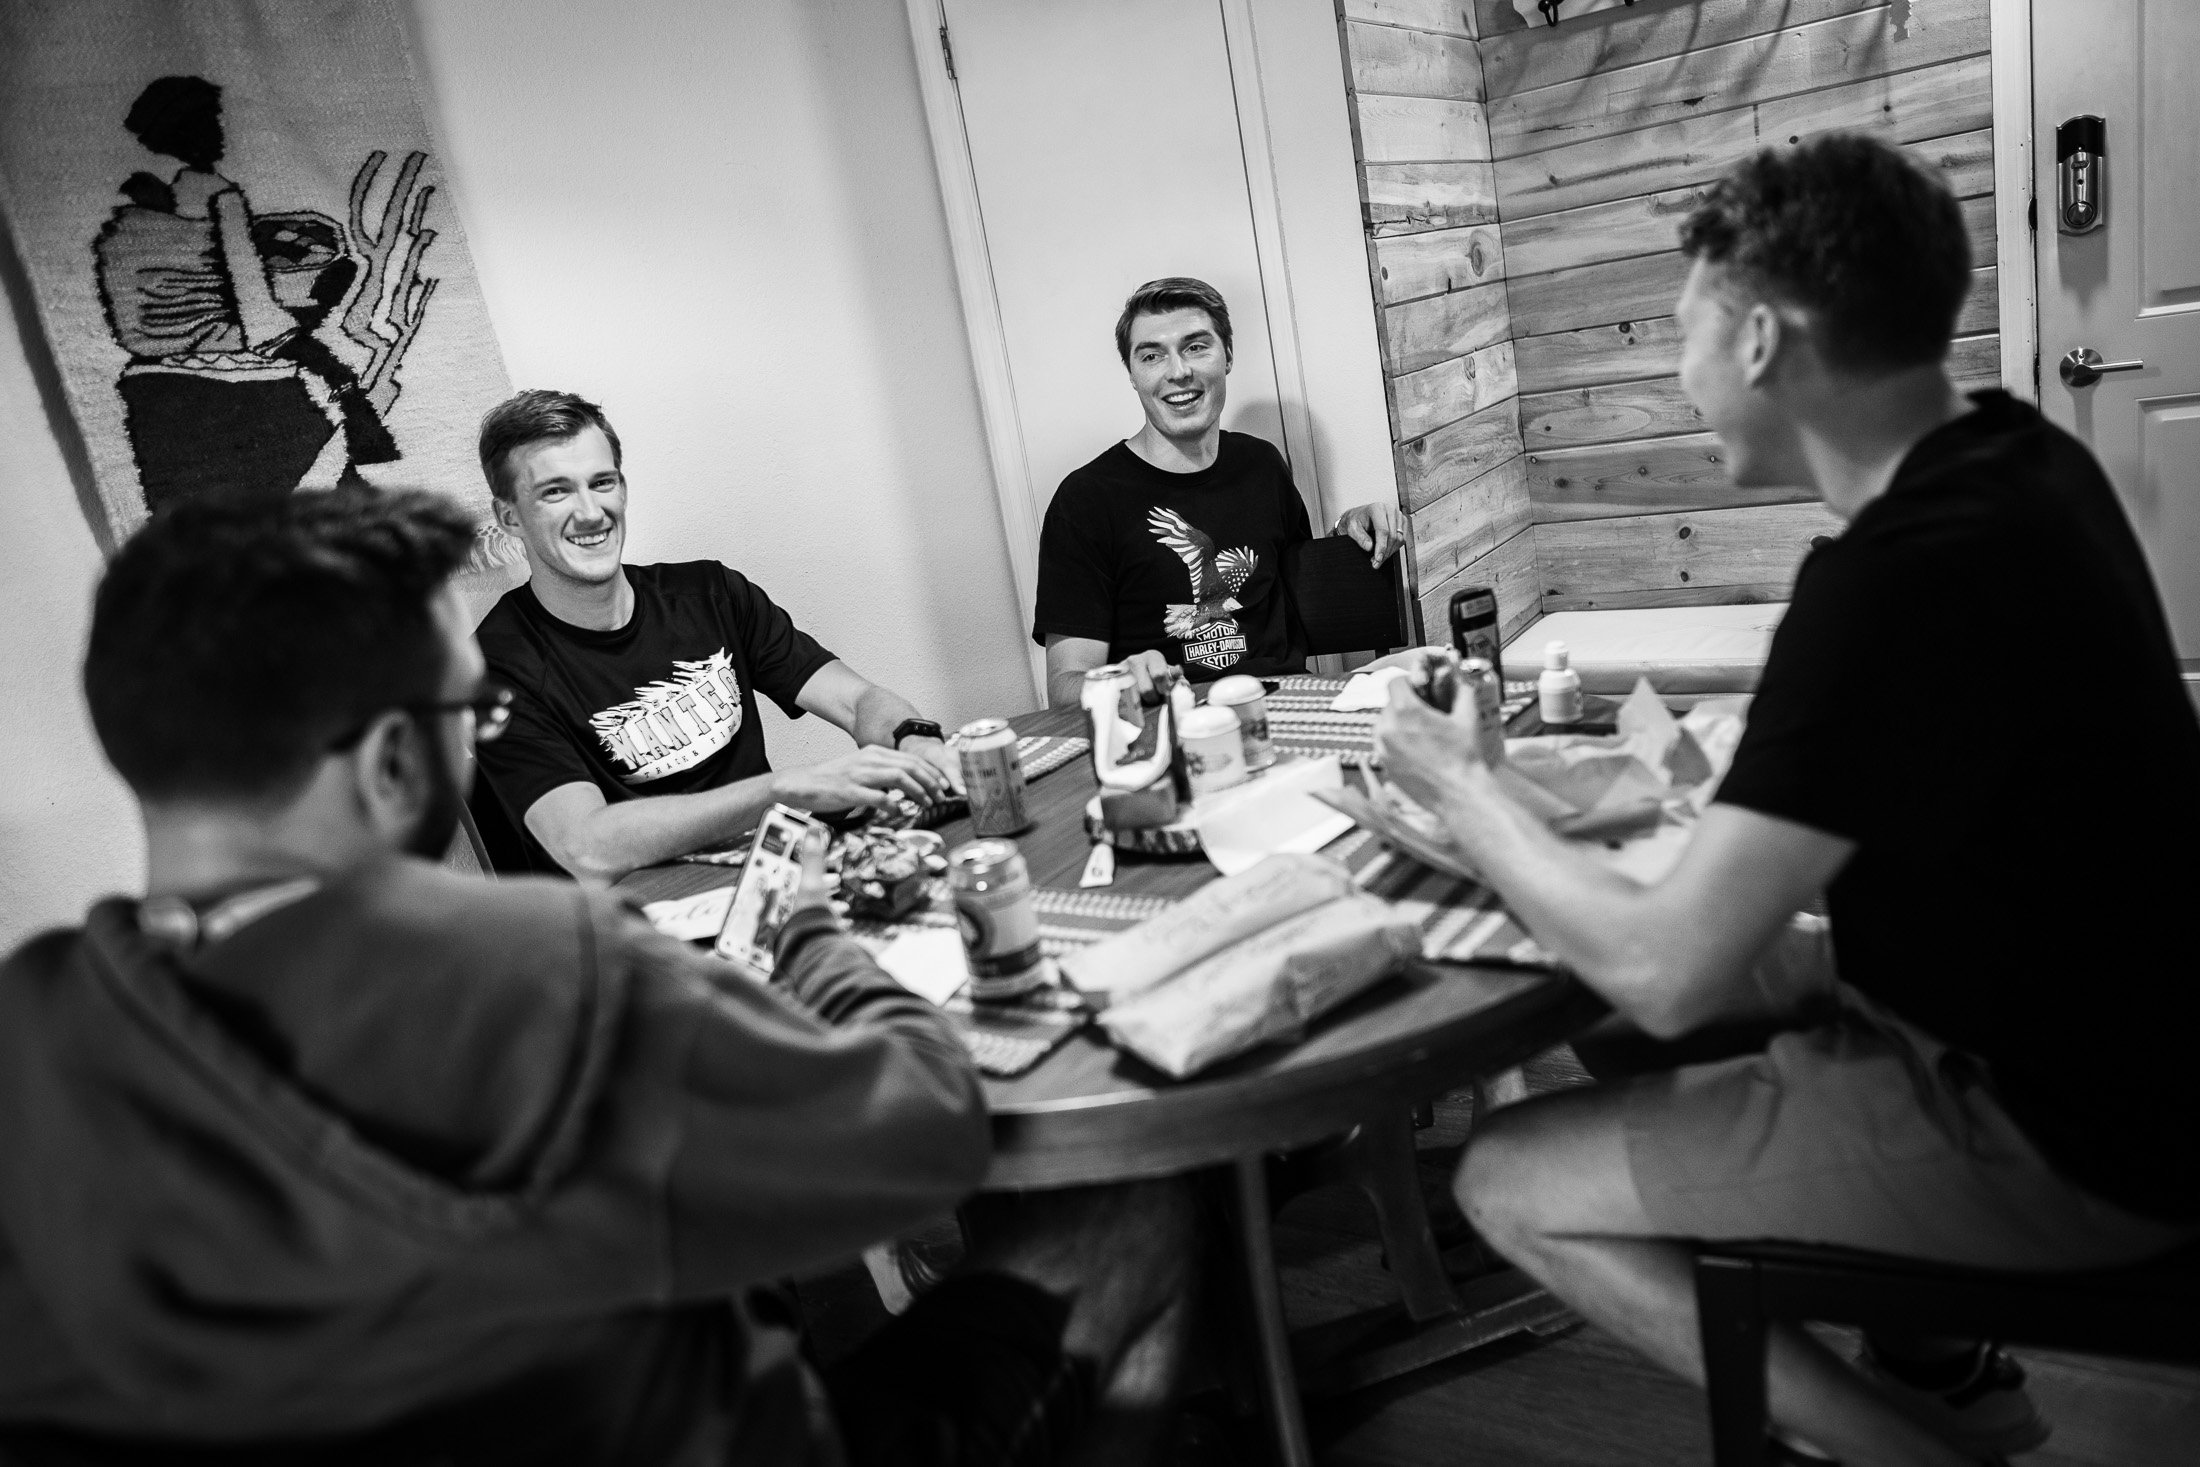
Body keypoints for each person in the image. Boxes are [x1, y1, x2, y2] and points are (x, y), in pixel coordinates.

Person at [0, 486, 1194, 1465]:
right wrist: (808, 928)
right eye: (465, 715)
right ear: (382, 760)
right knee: (1140, 1203)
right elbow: (924, 1126)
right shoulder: (542, 966)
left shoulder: (31, 1020)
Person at [1373, 135, 2200, 1466]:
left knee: (1506, 1176)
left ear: (1759, 338)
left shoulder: (1884, 582)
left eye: (1685, 326)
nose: (1675, 368)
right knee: (1637, 1039)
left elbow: (1661, 971)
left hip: (2078, 1134)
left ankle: (1908, 1451)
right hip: (2138, 1040)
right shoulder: (2019, 458)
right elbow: (1918, 774)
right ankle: (1954, 1374)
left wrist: (1464, 783)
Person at [472, 389, 963, 881]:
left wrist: (912, 740)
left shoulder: (710, 593)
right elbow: (589, 845)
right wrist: (782, 790)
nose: (590, 512)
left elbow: (856, 702)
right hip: (643, 927)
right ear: (509, 516)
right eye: (555, 491)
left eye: (602, 483)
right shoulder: (493, 670)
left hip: (776, 882)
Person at [1032, 276, 1407, 707]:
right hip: (1174, 723)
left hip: (1288, 700)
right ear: (1133, 376)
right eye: (1152, 355)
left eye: (1195, 347)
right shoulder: (1084, 501)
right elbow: (1064, 688)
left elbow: (1298, 587)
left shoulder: (1262, 464)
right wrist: (1120, 684)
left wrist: (1348, 529)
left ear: (1227, 355)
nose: (1178, 372)